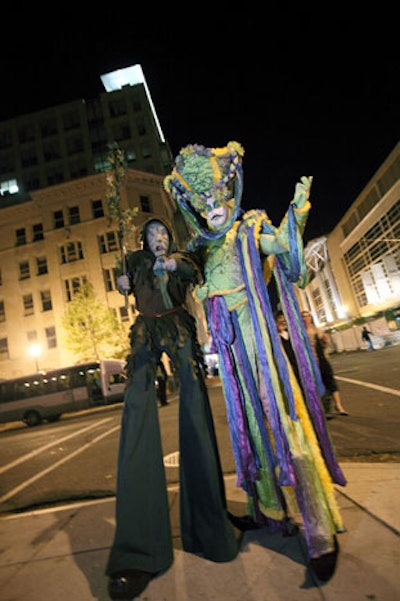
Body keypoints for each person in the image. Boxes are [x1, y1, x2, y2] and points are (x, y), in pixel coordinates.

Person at [164, 141, 347, 583]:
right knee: (248, 427)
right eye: (202, 200)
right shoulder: (200, 250)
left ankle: (320, 530)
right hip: (231, 358)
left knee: (284, 421)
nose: (211, 205)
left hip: (261, 346)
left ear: (229, 193)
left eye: (216, 196)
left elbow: (286, 252)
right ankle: (269, 509)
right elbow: (183, 284)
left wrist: (297, 213)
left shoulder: (249, 228)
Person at [105, 218, 240, 600]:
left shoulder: (181, 257)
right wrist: (121, 283)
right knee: (135, 412)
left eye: (163, 234)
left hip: (178, 329)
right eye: (152, 236)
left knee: (195, 412)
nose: (159, 240)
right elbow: (122, 280)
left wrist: (172, 266)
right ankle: (137, 549)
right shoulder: (134, 259)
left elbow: (190, 270)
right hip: (145, 331)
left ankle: (209, 529)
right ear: (145, 242)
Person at [301, 310, 349, 416]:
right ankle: (326, 409)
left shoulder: (317, 330)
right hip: (311, 361)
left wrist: (325, 341)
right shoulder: (300, 332)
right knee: (319, 384)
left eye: (308, 316)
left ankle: (339, 406)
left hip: (322, 359)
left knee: (330, 381)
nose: (306, 318)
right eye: (304, 316)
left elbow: (324, 346)